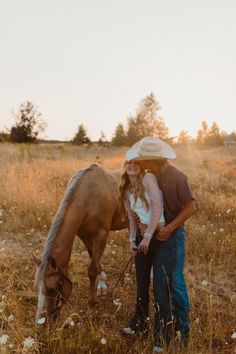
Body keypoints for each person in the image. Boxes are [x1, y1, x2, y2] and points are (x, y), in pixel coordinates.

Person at [127, 136, 197, 344]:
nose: (140, 162)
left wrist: (169, 229)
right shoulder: (148, 176)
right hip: (155, 234)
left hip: (173, 235)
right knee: (156, 282)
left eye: (143, 159)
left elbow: (191, 207)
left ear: (152, 160)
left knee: (174, 281)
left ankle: (182, 330)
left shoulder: (176, 176)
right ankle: (149, 322)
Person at [119, 147, 175, 353]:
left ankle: (163, 335)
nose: (132, 165)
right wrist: (132, 240)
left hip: (160, 239)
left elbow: (158, 209)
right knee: (141, 283)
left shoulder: (148, 179)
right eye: (128, 163)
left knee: (160, 288)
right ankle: (139, 322)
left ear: (142, 166)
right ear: (124, 167)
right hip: (143, 239)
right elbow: (132, 218)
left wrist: (149, 236)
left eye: (136, 162)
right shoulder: (126, 190)